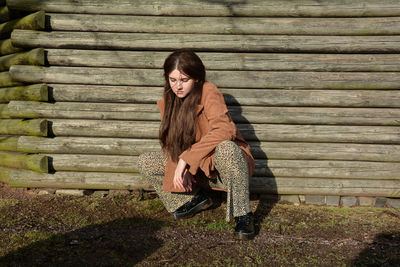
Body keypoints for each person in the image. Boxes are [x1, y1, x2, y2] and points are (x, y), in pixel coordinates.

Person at [137, 49, 256, 240]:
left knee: (226, 148)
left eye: (184, 80)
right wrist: (182, 167)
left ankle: (243, 215)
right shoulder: (170, 99)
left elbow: (224, 130)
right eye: (173, 80)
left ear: (197, 78)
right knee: (146, 161)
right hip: (197, 171)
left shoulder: (209, 91)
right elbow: (171, 143)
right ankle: (194, 199)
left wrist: (186, 160)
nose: (178, 86)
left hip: (222, 167)